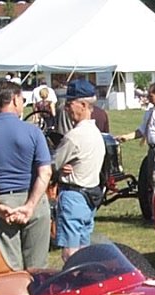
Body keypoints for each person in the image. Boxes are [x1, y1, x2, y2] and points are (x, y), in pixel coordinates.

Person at [0, 80, 53, 270]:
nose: (23, 103)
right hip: (34, 199)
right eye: (22, 99)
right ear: (14, 100)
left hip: (2, 201)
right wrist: (30, 205)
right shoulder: (33, 132)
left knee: (10, 270)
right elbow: (45, 172)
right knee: (37, 270)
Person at [51, 79, 106, 262]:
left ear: (83, 105)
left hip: (73, 196)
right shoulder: (96, 133)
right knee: (84, 251)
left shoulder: (74, 137)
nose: (66, 109)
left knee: (70, 254)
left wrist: (59, 171)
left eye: (69, 104)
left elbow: (52, 165)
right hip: (90, 196)